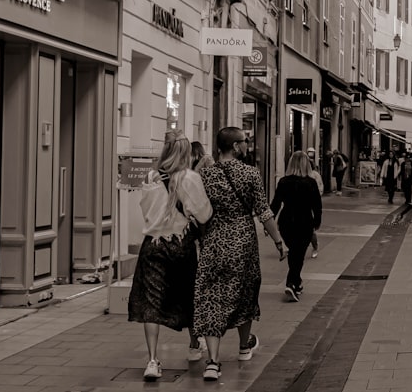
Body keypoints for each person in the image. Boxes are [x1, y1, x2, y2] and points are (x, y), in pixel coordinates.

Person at [193, 127, 286, 381]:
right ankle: (244, 347)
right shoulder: (250, 174)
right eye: (244, 142)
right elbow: (264, 211)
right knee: (245, 291)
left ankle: (213, 361)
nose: (247, 145)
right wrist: (279, 241)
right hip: (243, 242)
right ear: (235, 147)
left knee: (211, 296)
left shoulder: (205, 175)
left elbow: (199, 211)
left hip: (213, 242)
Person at [128, 130, 213, 381]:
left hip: (153, 245)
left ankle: (153, 361)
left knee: (151, 303)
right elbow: (204, 214)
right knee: (189, 294)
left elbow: (145, 210)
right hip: (181, 244)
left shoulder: (151, 176)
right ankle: (194, 344)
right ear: (186, 152)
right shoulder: (190, 178)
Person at [270, 151, 323, 302]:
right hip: (304, 222)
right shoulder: (310, 183)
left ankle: (297, 282)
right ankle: (291, 283)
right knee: (298, 255)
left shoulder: (283, 182)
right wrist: (317, 222)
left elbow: (275, 204)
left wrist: (270, 222)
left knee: (294, 252)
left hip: (286, 223)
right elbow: (317, 206)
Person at [305, 147, 323, 258]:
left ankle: (315, 246)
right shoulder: (299, 175)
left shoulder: (315, 175)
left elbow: (320, 187)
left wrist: (316, 198)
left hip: (310, 203)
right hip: (300, 204)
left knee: (310, 229)